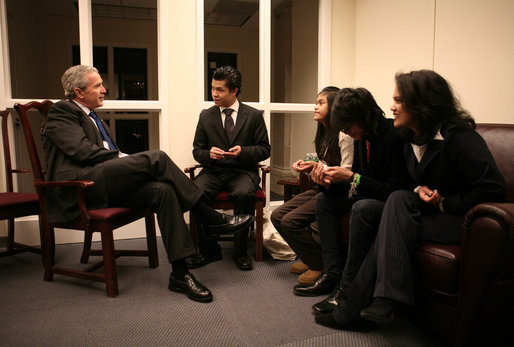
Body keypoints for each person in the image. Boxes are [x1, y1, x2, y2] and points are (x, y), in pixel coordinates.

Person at [42, 65, 255, 303]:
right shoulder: (62, 111)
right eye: (98, 86)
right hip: (81, 189)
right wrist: (126, 160)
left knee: (162, 191)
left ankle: (180, 274)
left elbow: (101, 154)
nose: (104, 89)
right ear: (79, 92)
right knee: (158, 158)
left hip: (103, 183)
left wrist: (127, 162)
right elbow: (82, 152)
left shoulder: (93, 116)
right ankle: (210, 218)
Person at [314, 70, 507, 330]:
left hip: (460, 220)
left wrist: (445, 202)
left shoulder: (460, 138)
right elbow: (404, 182)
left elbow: (494, 189)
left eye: (399, 100)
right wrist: (418, 189)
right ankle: (375, 301)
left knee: (387, 221)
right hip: (426, 213)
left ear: (423, 103)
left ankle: (359, 306)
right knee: (399, 198)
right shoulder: (408, 138)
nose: (391, 107)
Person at [295, 88, 408, 312]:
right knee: (324, 201)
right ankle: (331, 274)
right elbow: (356, 181)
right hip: (367, 195)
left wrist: (352, 177)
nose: (346, 132)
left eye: (348, 126)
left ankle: (346, 288)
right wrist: (329, 182)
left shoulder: (394, 136)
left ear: (365, 115)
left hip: (389, 201)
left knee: (362, 207)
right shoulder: (360, 136)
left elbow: (395, 191)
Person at [188, 66, 271, 271]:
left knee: (243, 193)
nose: (214, 94)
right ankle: (209, 249)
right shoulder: (206, 116)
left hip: (243, 171)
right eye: (212, 88)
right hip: (214, 171)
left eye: (220, 90)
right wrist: (209, 154)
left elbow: (264, 150)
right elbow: (197, 151)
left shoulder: (253, 116)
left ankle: (240, 251)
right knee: (195, 194)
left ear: (234, 91)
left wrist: (243, 151)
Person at [270, 86, 354, 285]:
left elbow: (346, 172)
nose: (315, 107)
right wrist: (311, 166)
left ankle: (318, 263)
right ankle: (310, 258)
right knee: (277, 215)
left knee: (290, 221)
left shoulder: (344, 135)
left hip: (337, 193)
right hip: (322, 188)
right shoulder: (323, 132)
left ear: (333, 106)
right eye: (316, 103)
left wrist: (320, 169)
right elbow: (327, 163)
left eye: (320, 103)